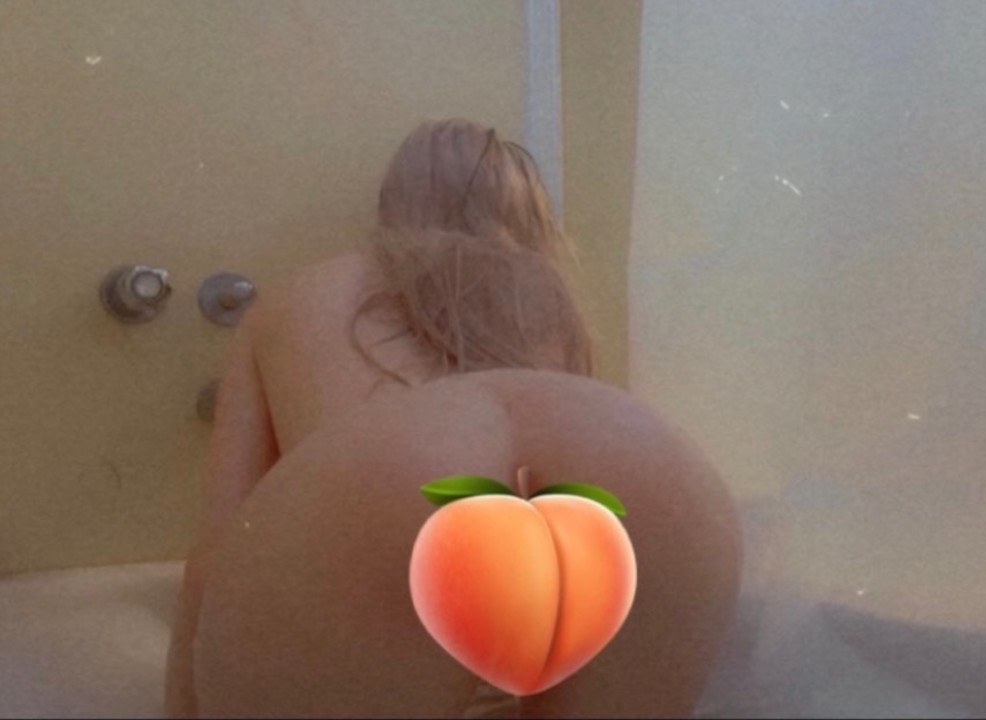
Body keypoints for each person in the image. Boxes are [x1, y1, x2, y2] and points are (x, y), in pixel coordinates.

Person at [165, 118, 741, 718]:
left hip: (383, 489)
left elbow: (221, 543)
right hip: (641, 460)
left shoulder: (297, 296)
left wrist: (181, 703)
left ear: (392, 202)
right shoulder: (543, 294)